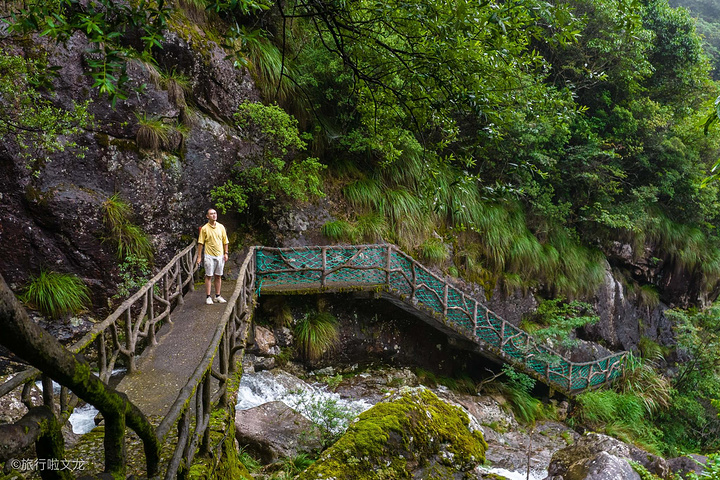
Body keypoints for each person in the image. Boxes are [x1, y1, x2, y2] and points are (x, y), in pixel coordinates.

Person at [195, 208, 229, 305]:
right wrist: (199, 257)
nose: (214, 215)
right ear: (207, 216)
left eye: (215, 213)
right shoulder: (204, 228)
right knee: (209, 276)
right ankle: (208, 296)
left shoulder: (221, 227)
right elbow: (200, 243)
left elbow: (225, 241)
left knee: (218, 276)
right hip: (209, 255)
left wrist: (226, 253)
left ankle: (217, 295)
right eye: (211, 214)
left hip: (220, 255)